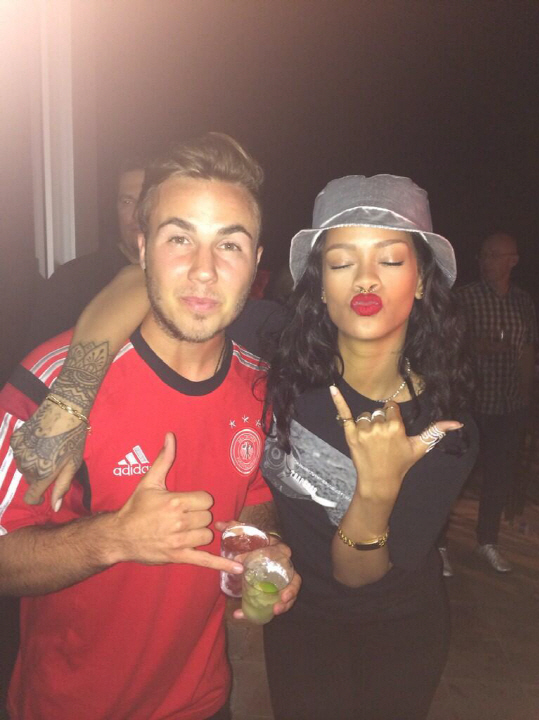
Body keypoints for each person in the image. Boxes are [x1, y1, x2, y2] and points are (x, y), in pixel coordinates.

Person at [13, 173, 477, 720]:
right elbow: (150, 281)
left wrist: (376, 491)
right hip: (297, 621)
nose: (366, 279)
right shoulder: (278, 350)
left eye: (391, 260)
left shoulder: (442, 429)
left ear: (422, 279)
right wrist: (74, 391)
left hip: (393, 630)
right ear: (320, 282)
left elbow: (359, 577)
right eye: (341, 262)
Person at [0, 133, 300, 720]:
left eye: (230, 245)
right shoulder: (54, 382)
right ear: (142, 248)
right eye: (179, 238)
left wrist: (262, 553)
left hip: (202, 702)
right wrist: (115, 538)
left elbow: (252, 495)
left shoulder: (259, 384)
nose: (204, 271)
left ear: (256, 263)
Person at [454, 232, 538, 573]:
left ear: (512, 261)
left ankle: (487, 541)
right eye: (483, 255)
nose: (485, 261)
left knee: (498, 478)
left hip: (508, 405)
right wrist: (475, 347)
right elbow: (447, 345)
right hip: (471, 403)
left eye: (494, 255)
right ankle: (438, 544)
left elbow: (527, 348)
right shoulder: (465, 298)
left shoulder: (522, 302)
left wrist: (525, 397)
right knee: (455, 475)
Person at [24, 157, 146, 350]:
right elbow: (42, 359)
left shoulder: (179, 279)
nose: (137, 213)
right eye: (127, 201)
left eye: (147, 200)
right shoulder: (73, 281)